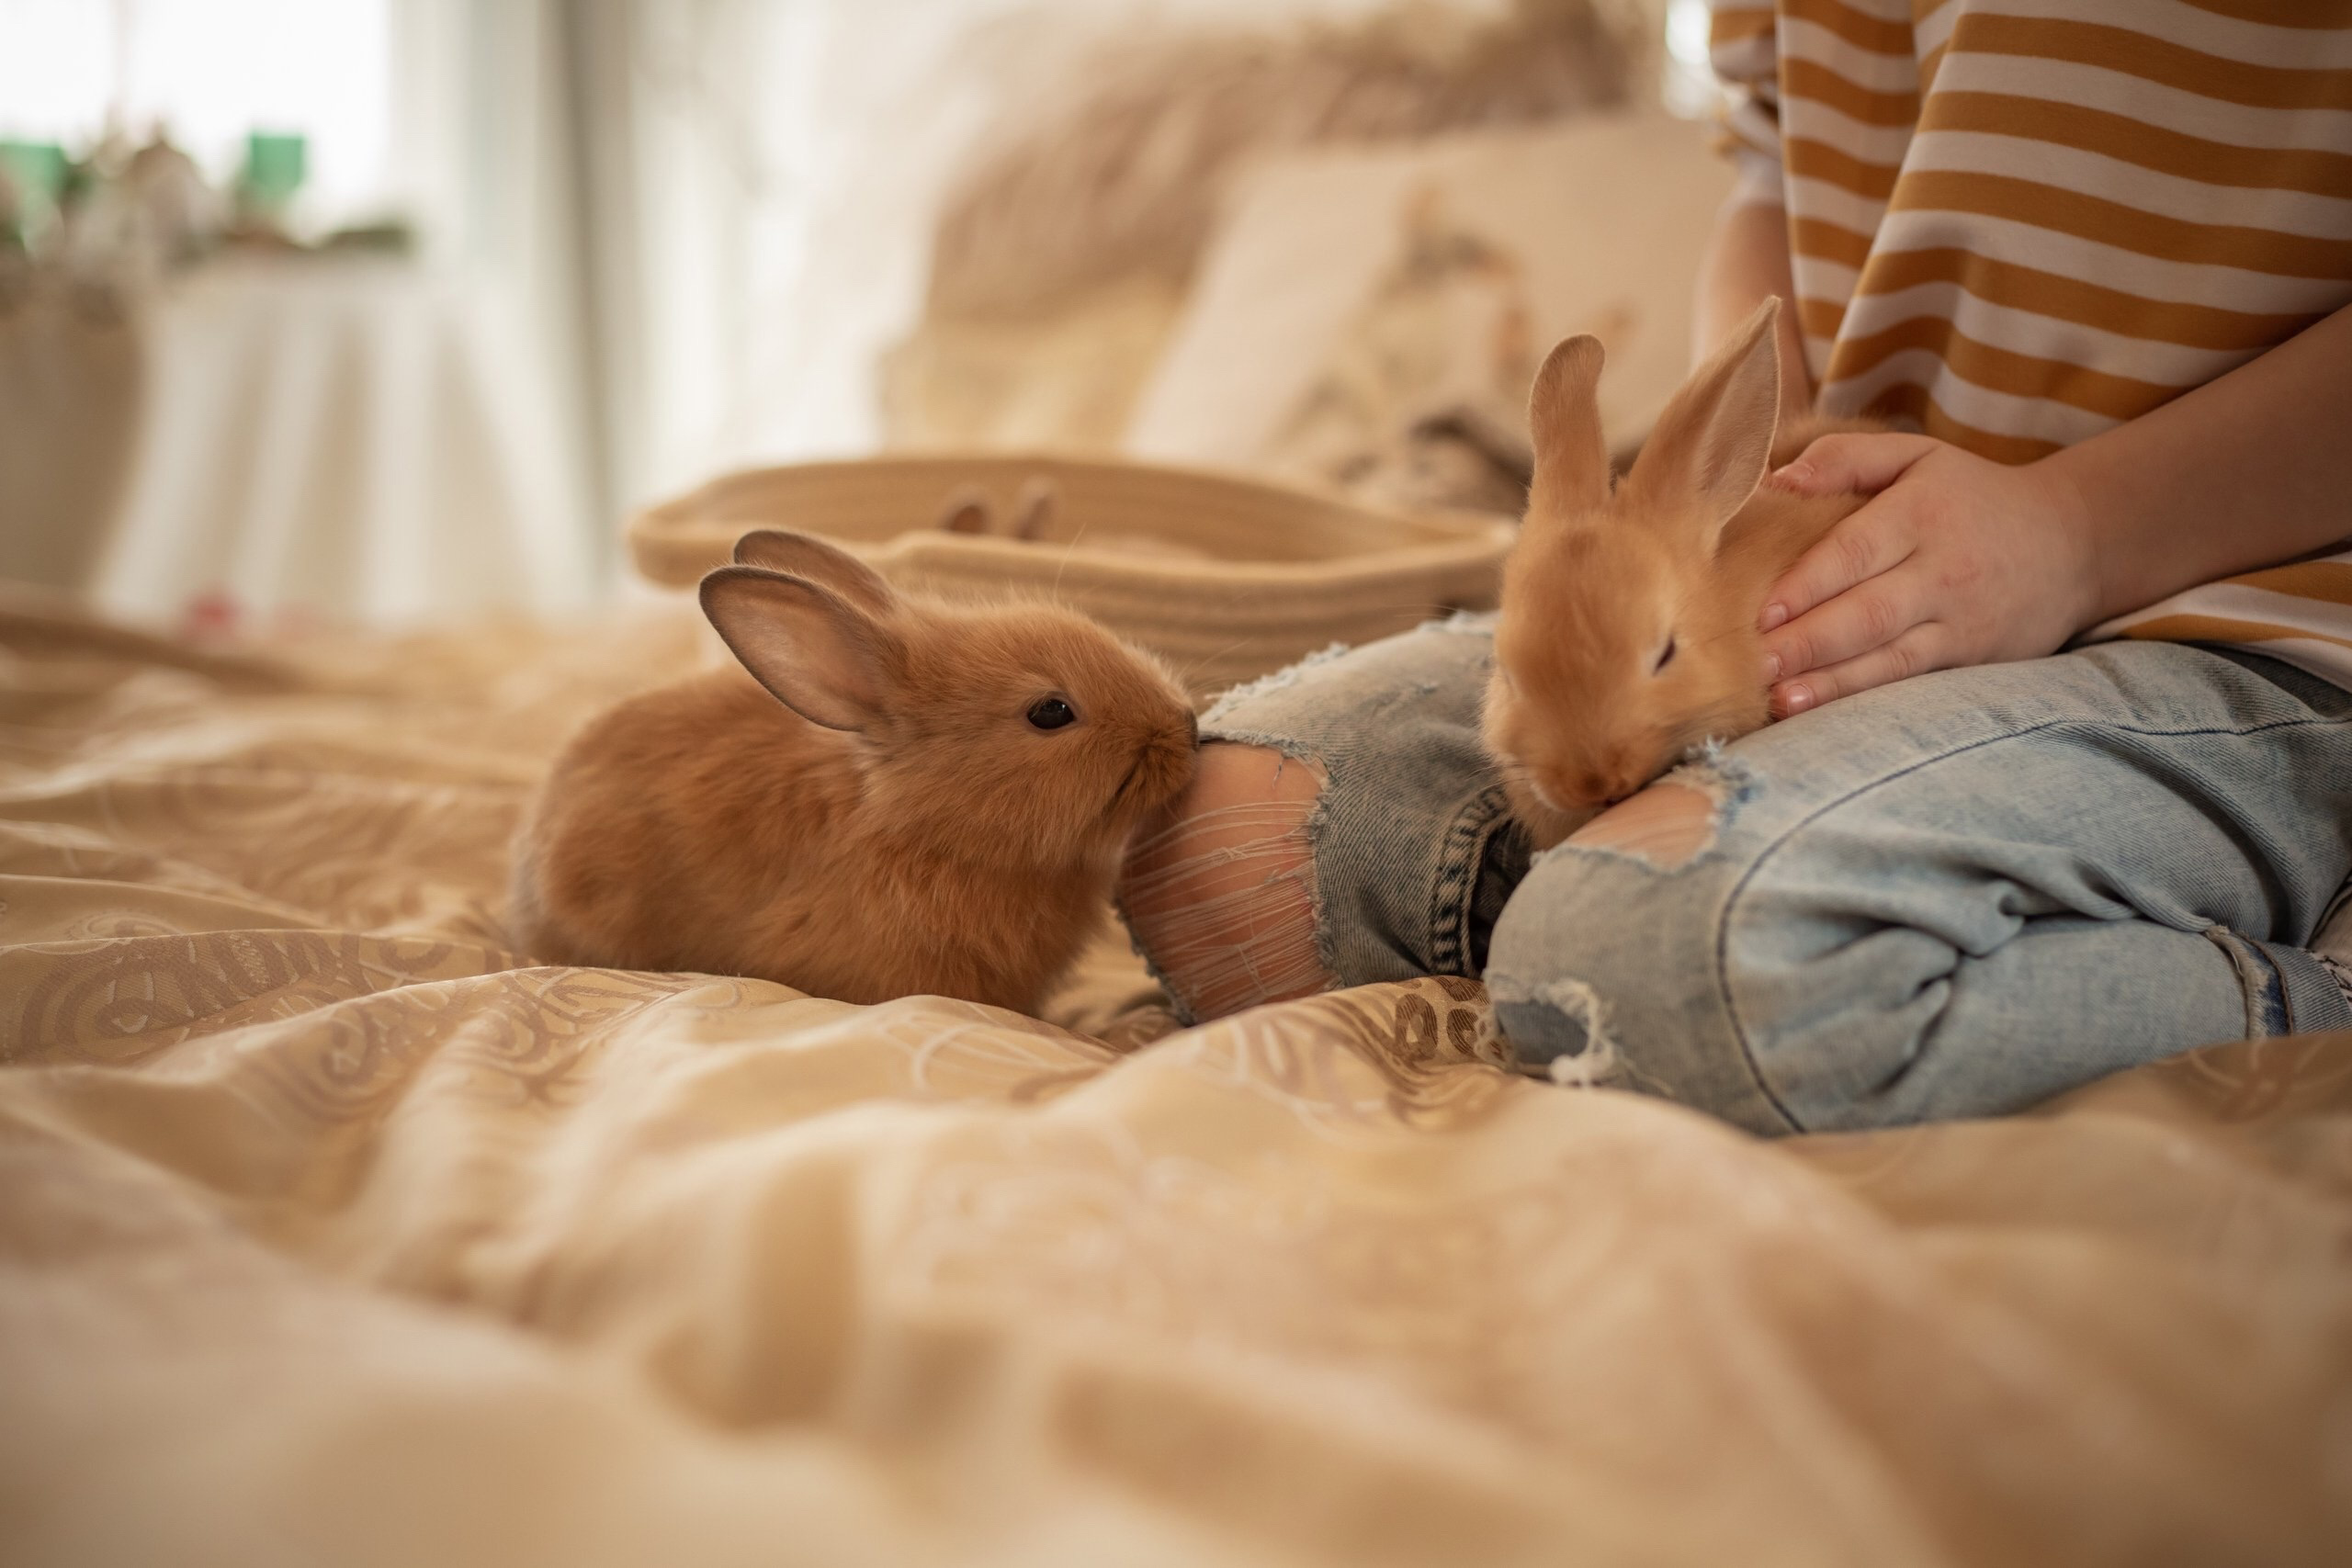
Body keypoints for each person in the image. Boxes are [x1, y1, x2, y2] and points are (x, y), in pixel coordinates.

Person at [1116, 0, 2352, 1134]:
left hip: (2221, 608)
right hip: (1820, 576)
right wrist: (1751, 453)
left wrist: (2075, 536)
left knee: (1637, 955)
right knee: (1223, 842)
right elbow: (1773, 161)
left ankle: (2308, 988)